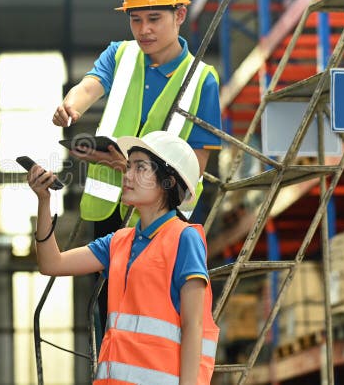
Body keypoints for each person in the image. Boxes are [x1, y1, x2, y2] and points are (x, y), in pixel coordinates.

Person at [28, 131, 218, 384]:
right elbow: (52, 263)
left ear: (169, 182)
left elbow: (194, 326)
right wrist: (44, 201)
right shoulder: (119, 242)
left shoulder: (185, 238)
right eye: (129, 167)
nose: (127, 176)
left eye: (140, 168)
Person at [52, 0, 222, 233]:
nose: (144, 30)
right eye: (136, 19)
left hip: (161, 217)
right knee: (108, 277)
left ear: (179, 15)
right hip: (107, 211)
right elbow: (87, 89)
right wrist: (69, 107)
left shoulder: (203, 80)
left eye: (154, 19)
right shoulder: (120, 55)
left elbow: (197, 165)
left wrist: (127, 167)